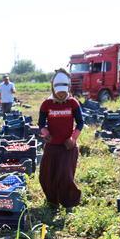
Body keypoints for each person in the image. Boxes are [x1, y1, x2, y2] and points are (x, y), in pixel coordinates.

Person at [37, 69, 84, 210]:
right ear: (53, 89)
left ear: (68, 89)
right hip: (52, 146)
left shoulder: (73, 103)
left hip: (67, 147)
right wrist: (45, 132)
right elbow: (40, 123)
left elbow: (80, 122)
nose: (62, 95)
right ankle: (52, 202)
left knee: (65, 177)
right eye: (59, 93)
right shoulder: (46, 104)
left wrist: (73, 138)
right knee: (46, 176)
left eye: (64, 92)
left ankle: (69, 204)